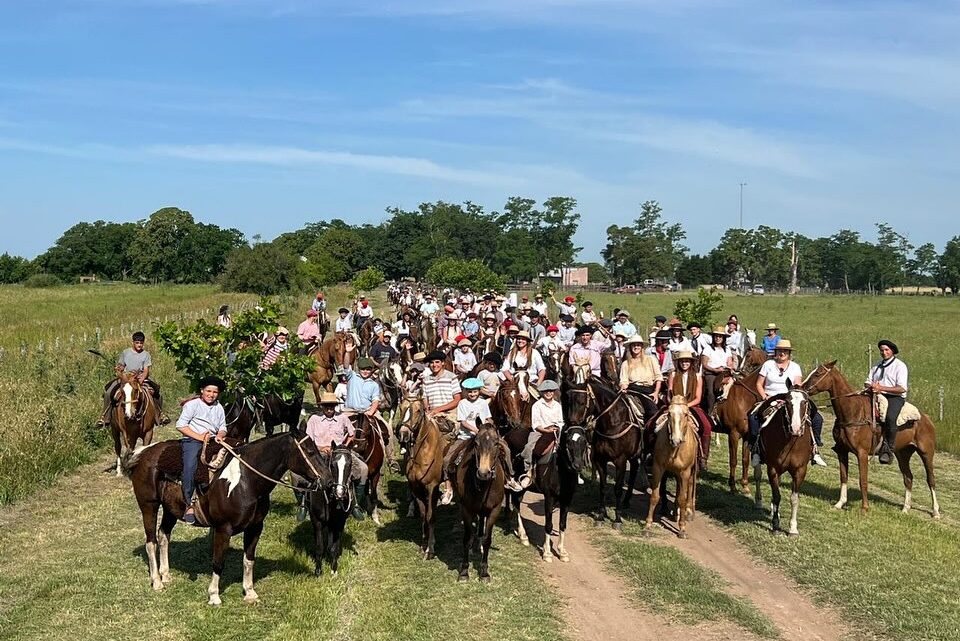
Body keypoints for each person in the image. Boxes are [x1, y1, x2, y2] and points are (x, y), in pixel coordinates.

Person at [442, 378, 522, 504]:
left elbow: (488, 418)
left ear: (479, 391)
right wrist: (475, 429)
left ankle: (509, 477)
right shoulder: (463, 403)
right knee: (448, 458)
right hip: (466, 436)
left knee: (505, 448)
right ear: (465, 392)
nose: (472, 394)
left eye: (475, 392)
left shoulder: (483, 403)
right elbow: (462, 421)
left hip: (485, 436)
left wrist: (489, 426)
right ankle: (448, 488)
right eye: (470, 392)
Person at [747, 340, 826, 467]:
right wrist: (764, 396)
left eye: (785, 351)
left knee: (817, 419)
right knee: (753, 417)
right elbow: (758, 384)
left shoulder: (795, 367)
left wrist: (793, 397)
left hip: (790, 398)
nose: (782, 353)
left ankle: (815, 449)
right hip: (770, 398)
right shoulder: (768, 364)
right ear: (775, 352)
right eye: (779, 351)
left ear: (789, 353)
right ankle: (756, 449)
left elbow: (797, 385)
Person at [304, 391, 368, 520]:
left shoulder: (342, 418)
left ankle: (355, 504)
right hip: (319, 453)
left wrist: (343, 446)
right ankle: (304, 504)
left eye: (332, 406)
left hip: (340, 453)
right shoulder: (314, 419)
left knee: (363, 469)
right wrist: (321, 448)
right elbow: (308, 440)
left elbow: (352, 434)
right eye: (326, 406)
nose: (329, 409)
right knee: (298, 475)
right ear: (321, 406)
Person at [177, 376, 227, 525]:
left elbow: (223, 427)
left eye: (215, 392)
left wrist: (220, 435)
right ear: (202, 391)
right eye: (208, 391)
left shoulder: (219, 407)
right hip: (193, 440)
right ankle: (189, 504)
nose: (211, 395)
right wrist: (199, 437)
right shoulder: (192, 405)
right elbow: (180, 425)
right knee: (190, 466)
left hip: (212, 440)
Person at [98, 331, 168, 426]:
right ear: (133, 342)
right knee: (108, 392)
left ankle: (160, 415)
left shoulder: (146, 354)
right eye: (137, 343)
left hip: (139, 378)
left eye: (141, 343)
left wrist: (141, 379)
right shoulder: (125, 352)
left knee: (157, 392)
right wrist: (119, 369)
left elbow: (146, 370)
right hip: (126, 378)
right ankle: (104, 417)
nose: (139, 345)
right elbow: (121, 367)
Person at [867, 339, 909, 464]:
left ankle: (888, 450)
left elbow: (901, 388)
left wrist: (881, 388)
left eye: (886, 350)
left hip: (894, 397)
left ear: (892, 351)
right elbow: (868, 380)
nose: (884, 353)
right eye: (882, 350)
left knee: (890, 418)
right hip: (876, 394)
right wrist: (871, 386)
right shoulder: (876, 366)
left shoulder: (900, 366)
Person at [520, 379, 564, 488]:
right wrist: (546, 430)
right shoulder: (537, 405)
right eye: (546, 391)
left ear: (554, 392)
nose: (548, 393)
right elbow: (536, 424)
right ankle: (529, 471)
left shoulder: (557, 405)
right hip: (541, 431)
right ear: (541, 392)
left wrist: (556, 429)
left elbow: (560, 420)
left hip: (556, 430)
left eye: (550, 391)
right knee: (529, 447)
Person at [619, 335, 661, 421]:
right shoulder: (625, 363)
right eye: (634, 345)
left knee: (653, 412)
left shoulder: (651, 359)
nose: (636, 347)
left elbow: (658, 377)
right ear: (630, 347)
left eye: (638, 345)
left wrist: (656, 392)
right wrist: (623, 386)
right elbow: (624, 380)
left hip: (647, 389)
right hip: (632, 389)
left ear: (642, 347)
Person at [700, 326, 734, 415]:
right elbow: (704, 364)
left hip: (724, 372)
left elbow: (730, 362)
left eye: (720, 336)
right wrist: (715, 370)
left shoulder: (727, 349)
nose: (718, 338)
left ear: (723, 338)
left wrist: (730, 367)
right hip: (711, 373)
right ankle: (710, 413)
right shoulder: (708, 348)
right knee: (711, 392)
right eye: (716, 336)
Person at [501, 331, 546, 398]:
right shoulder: (512, 353)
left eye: (523, 339)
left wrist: (539, 383)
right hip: (514, 382)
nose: (520, 341)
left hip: (530, 381)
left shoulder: (534, 353)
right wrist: (512, 380)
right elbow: (505, 369)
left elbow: (542, 369)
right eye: (518, 339)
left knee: (540, 398)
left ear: (527, 341)